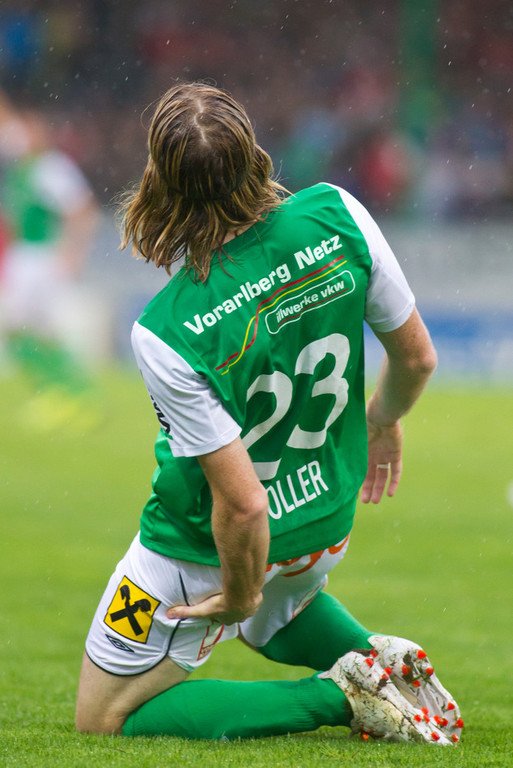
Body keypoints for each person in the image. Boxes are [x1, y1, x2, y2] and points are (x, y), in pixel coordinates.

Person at [76, 82, 463, 745]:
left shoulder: (166, 329)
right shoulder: (337, 213)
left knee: (104, 717)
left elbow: (243, 505)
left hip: (203, 543)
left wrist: (235, 592)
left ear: (161, 184)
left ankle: (340, 695)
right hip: (322, 517)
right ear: (254, 156)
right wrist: (381, 420)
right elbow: (417, 359)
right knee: (272, 611)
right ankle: (375, 663)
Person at [0, 94, 99, 430]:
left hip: (40, 259)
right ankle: (58, 392)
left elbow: (83, 211)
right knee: (22, 332)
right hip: (22, 258)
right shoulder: (22, 164)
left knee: (34, 331)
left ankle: (72, 393)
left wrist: (72, 254)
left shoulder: (51, 168)